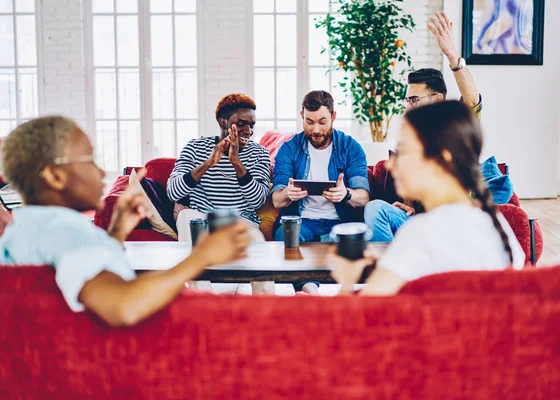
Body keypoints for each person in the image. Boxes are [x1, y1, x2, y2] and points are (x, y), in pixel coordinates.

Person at [0, 116, 250, 326]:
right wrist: (202, 256)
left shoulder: (24, 226)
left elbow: (81, 266)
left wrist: (116, 233)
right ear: (54, 176)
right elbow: (122, 306)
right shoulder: (65, 229)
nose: (100, 172)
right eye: (89, 160)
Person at [329, 101, 525, 295]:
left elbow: (357, 317)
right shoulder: (498, 227)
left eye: (403, 151)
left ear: (441, 160)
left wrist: (347, 280)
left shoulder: (420, 232)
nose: (389, 164)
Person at [365, 11, 483, 242]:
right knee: (374, 208)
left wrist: (453, 57)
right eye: (407, 100)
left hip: (454, 226)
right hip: (418, 223)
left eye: (414, 100)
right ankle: (396, 272)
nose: (409, 106)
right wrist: (411, 207)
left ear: (437, 99)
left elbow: (472, 100)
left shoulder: (456, 129)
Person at [271, 90, 370, 293]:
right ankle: (310, 291)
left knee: (355, 242)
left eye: (322, 122)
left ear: (333, 117)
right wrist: (288, 194)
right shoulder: (289, 149)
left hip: (339, 223)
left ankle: (346, 294)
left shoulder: (350, 147)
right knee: (285, 234)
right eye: (309, 122)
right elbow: (276, 200)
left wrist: (347, 194)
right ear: (302, 117)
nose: (316, 129)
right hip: (303, 222)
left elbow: (364, 196)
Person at [167, 93, 271, 242]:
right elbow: (173, 192)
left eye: (251, 125)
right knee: (186, 216)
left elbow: (258, 200)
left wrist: (236, 162)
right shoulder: (195, 147)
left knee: (257, 241)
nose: (248, 131)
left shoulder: (259, 153)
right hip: (202, 218)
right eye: (241, 124)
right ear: (223, 122)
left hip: (241, 223)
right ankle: (195, 265)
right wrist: (208, 163)